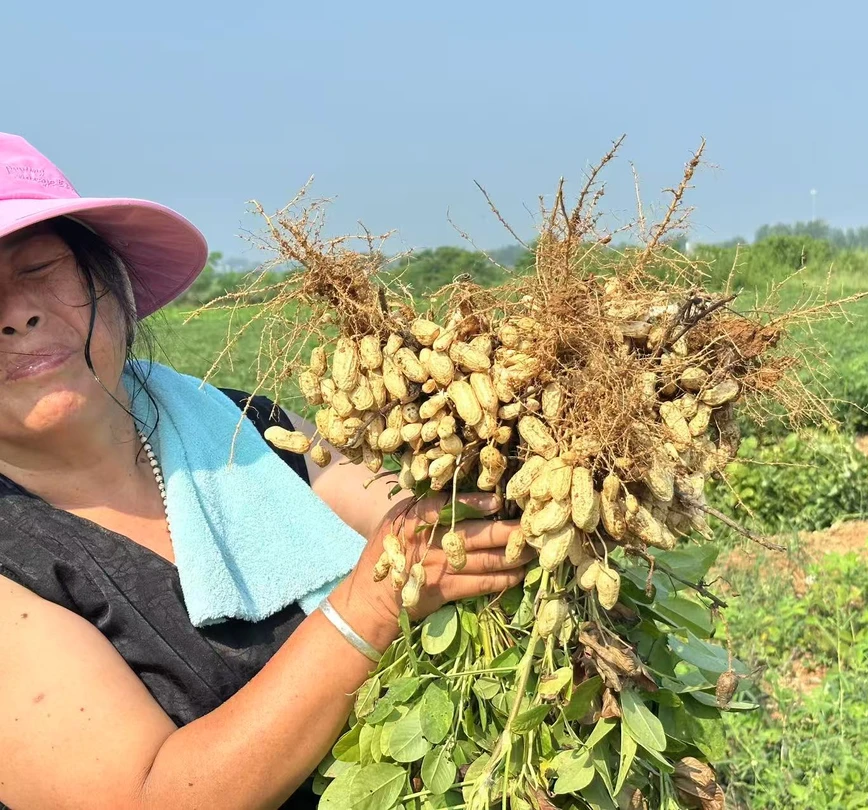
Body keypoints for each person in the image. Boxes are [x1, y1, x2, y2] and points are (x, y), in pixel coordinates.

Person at [0, 133, 529, 809]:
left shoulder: (240, 427)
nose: (18, 315)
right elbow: (147, 798)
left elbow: (403, 508)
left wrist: (502, 463)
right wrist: (371, 603)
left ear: (104, 280)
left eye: (38, 268)